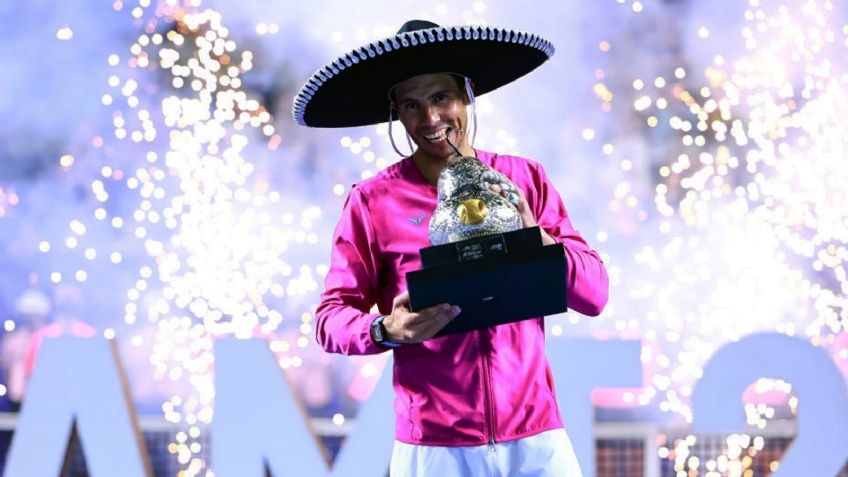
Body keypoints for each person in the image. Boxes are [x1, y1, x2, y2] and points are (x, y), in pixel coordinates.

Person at [293, 19, 608, 476]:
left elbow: (594, 294)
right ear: (397, 114)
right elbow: (330, 319)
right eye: (412, 104)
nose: (430, 119)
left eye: (441, 97)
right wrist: (385, 329)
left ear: (467, 96)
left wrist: (536, 237)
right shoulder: (372, 201)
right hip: (435, 449)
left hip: (537, 443)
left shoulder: (524, 179)